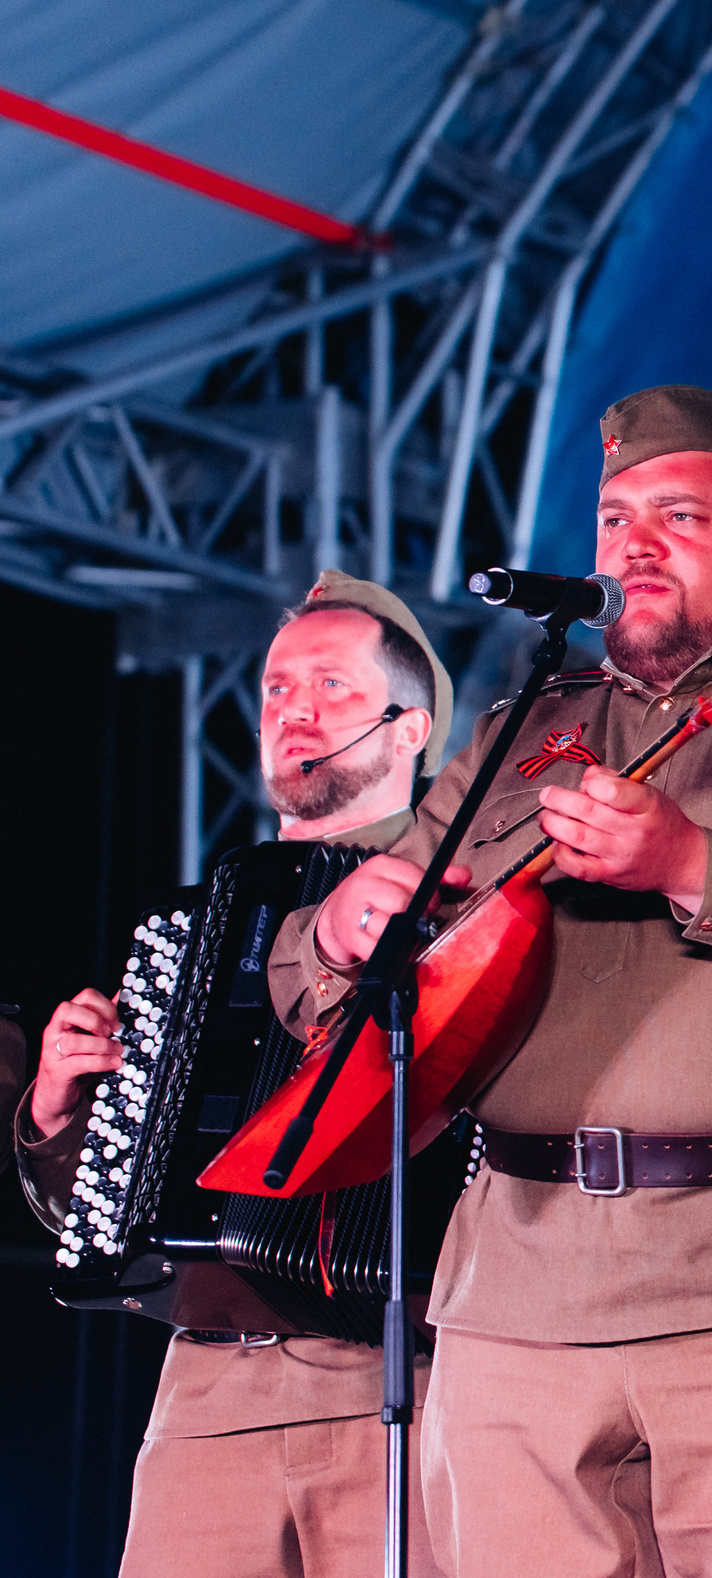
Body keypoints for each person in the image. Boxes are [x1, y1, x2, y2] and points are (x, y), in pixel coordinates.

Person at [280, 384, 712, 1578]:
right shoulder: (522, 727)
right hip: (518, 1288)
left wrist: (690, 860)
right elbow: (320, 968)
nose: (634, 545)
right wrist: (337, 929)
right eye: (615, 520)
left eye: (679, 514)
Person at [17, 571, 454, 1577]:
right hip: (207, 1387)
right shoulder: (198, 925)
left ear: (408, 727)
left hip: (408, 1379)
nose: (292, 709)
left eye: (331, 687)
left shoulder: (471, 903)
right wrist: (59, 1111)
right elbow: (105, 1207)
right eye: (274, 687)